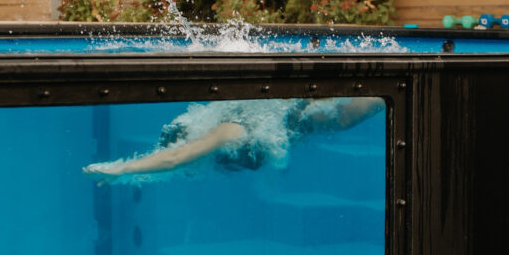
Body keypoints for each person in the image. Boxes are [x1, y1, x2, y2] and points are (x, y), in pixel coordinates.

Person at [83, 96, 384, 185]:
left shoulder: (224, 132)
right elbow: (172, 160)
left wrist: (122, 169)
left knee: (351, 113)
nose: (188, 164)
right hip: (293, 128)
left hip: (306, 113)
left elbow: (175, 158)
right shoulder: (214, 144)